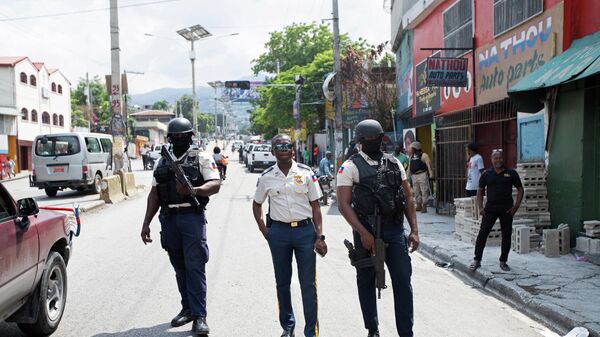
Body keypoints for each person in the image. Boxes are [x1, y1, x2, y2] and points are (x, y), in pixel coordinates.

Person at [336, 119, 419, 337]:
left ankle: (406, 332)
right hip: (366, 229)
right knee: (366, 279)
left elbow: (408, 198)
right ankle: (372, 328)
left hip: (393, 229)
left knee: (402, 280)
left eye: (376, 138)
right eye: (368, 139)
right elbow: (343, 204)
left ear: (382, 139)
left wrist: (415, 230)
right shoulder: (350, 166)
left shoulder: (395, 163)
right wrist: (364, 234)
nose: (373, 142)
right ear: (360, 141)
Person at [140, 117, 221, 336]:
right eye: (174, 136)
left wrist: (194, 191)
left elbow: (215, 184)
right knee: (179, 266)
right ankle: (187, 308)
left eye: (182, 136)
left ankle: (200, 316)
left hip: (191, 217)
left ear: (190, 137)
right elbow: (155, 194)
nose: (178, 139)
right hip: (169, 219)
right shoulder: (162, 161)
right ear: (169, 138)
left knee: (195, 266)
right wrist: (146, 222)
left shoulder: (201, 157)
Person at [252, 134, 327, 337]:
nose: (284, 148)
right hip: (278, 233)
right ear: (273, 151)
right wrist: (264, 230)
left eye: (288, 145)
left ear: (293, 150)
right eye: (279, 145)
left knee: (308, 284)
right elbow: (257, 203)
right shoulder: (266, 176)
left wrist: (319, 236)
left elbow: (316, 206)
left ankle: (312, 331)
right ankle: (288, 326)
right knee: (282, 282)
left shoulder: (305, 173)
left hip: (305, 233)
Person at [470, 149, 523, 272]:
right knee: (483, 233)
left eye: (500, 158)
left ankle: (503, 261)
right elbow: (480, 190)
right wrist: (480, 207)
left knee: (506, 235)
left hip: (507, 210)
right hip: (490, 209)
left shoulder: (511, 173)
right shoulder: (486, 174)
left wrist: (516, 206)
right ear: (491, 159)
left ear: (503, 159)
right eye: (495, 158)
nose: (498, 160)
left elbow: (520, 189)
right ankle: (477, 260)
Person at [408, 141, 433, 213]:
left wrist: (431, 174)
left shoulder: (424, 155)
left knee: (424, 190)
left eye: (412, 148)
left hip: (422, 174)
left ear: (415, 148)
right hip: (414, 176)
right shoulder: (411, 157)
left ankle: (424, 205)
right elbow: (409, 168)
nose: (410, 149)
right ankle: (418, 205)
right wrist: (406, 177)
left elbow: (429, 165)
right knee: (416, 191)